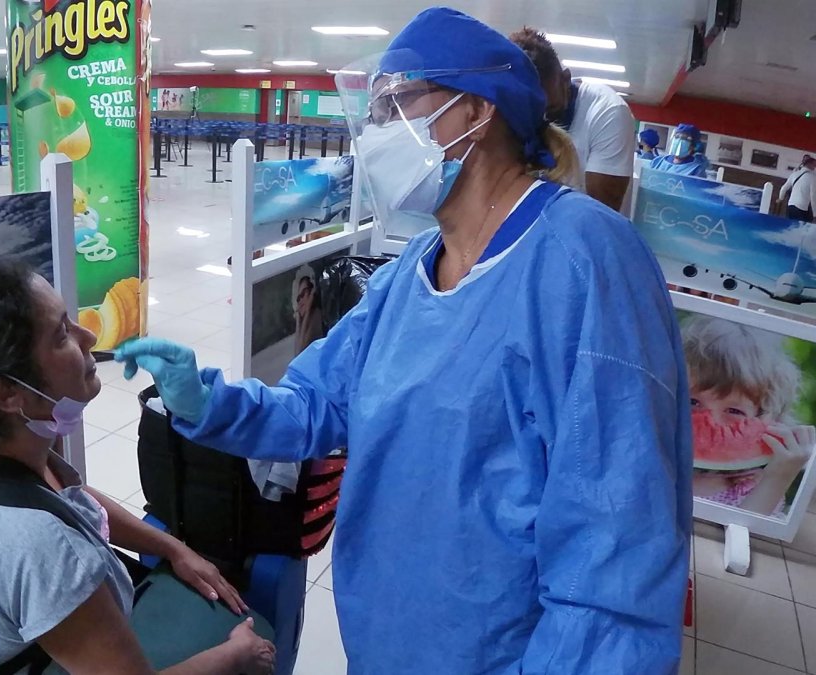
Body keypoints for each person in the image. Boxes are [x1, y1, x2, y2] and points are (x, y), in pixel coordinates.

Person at [118, 7, 691, 674]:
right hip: (387, 629)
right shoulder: (411, 272)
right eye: (375, 109)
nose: (377, 130)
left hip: (498, 649)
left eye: (396, 103)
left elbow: (617, 545)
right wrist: (206, 401)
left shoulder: (585, 260)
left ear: (475, 110)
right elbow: (317, 403)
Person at [0, 256, 275, 675]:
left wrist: (173, 547)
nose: (88, 336)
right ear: (6, 393)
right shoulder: (38, 546)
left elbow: (68, 498)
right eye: (61, 334)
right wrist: (238, 654)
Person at [685, 314, 815, 517]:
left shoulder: (752, 489)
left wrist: (779, 476)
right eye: (692, 402)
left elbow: (747, 529)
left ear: (765, 419)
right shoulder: (650, 459)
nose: (712, 421)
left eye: (734, 411)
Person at [510, 27, 636, 211]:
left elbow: (600, 210)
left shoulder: (609, 112)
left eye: (549, 109)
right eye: (532, 111)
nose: (541, 119)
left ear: (566, 79)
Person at [778, 154, 816, 221]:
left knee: (791, 224)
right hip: (802, 207)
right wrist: (815, 214)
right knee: (800, 225)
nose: (814, 167)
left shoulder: (795, 174)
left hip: (791, 205)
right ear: (809, 164)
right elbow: (813, 196)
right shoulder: (813, 177)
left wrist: (780, 199)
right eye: (814, 165)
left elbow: (783, 188)